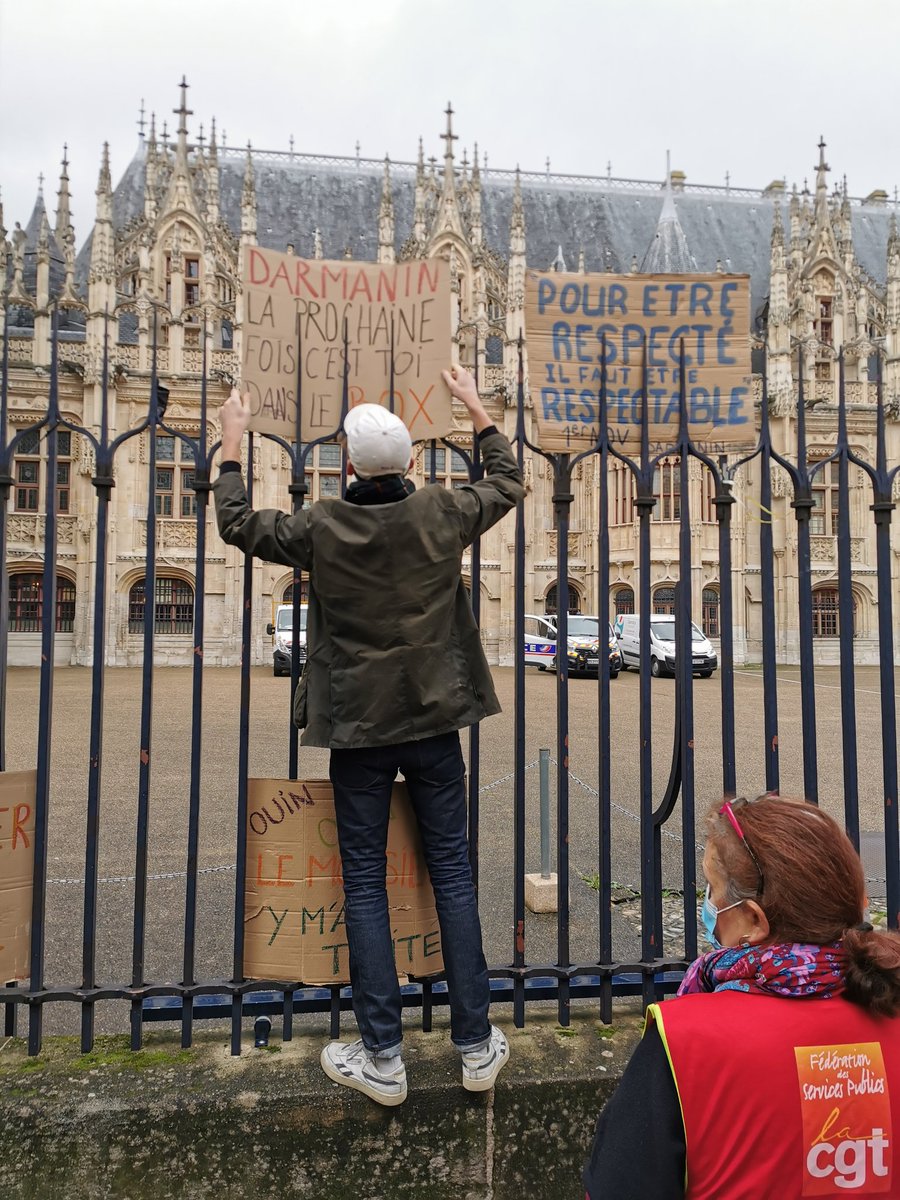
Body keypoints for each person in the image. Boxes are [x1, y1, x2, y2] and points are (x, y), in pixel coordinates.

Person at [214, 366, 523, 1106]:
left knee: (364, 886)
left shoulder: (320, 525)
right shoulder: (443, 512)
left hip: (357, 726)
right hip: (434, 721)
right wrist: (478, 409)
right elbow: (509, 483)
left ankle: (383, 1056)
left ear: (348, 466)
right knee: (452, 875)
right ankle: (476, 1043)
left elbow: (236, 525)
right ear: (414, 463)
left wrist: (231, 445)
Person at [584, 795, 900, 1199]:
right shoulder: (886, 1001)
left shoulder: (685, 1040)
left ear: (754, 919)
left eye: (713, 890)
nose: (708, 905)